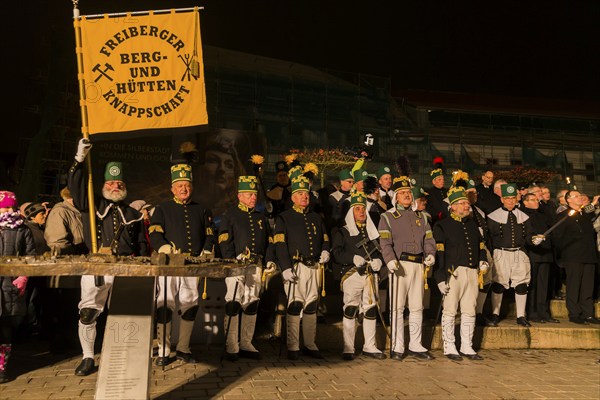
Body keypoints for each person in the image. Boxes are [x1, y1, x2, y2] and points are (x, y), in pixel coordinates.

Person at [68, 138, 148, 376]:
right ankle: (88, 357)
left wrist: (144, 269)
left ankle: (120, 356)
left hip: (126, 268)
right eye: (111, 182)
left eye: (119, 182)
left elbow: (142, 244)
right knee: (88, 312)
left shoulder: (133, 213)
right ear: (104, 184)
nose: (115, 186)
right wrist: (79, 159)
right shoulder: (90, 203)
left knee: (124, 315)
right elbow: (76, 186)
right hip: (96, 266)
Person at [149, 163, 215, 366]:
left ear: (192, 187)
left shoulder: (201, 209)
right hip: (170, 264)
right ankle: (164, 349)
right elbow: (154, 232)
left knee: (190, 305)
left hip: (192, 264)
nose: (183, 189)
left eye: (187, 185)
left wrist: (206, 249)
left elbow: (209, 233)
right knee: (165, 305)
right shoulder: (162, 208)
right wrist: (164, 248)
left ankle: (184, 348)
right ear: (172, 188)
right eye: (179, 185)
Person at [378, 176, 436, 361]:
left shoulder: (422, 217)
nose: (406, 196)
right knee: (397, 307)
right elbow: (385, 242)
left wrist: (431, 254)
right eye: (402, 193)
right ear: (395, 197)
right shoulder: (387, 217)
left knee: (417, 306)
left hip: (418, 265)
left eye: (408, 193)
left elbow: (429, 239)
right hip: (399, 265)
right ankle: (397, 345)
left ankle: (415, 344)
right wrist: (389, 260)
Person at [218, 175, 275, 361]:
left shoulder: (260, 217)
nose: (253, 197)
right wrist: (232, 259)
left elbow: (269, 242)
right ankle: (231, 344)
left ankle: (246, 342)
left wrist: (269, 260)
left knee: (251, 302)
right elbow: (224, 241)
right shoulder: (230, 215)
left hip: (256, 266)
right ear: (240, 195)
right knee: (234, 302)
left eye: (255, 194)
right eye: (249, 194)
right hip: (236, 266)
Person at [274, 175, 330, 360]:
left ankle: (310, 344)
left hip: (313, 266)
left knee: (311, 305)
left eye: (306, 193)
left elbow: (325, 239)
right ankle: (293, 345)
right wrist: (285, 267)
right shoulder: (284, 218)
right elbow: (280, 245)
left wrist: (325, 251)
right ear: (293, 197)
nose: (304, 197)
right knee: (295, 304)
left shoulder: (315, 217)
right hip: (295, 267)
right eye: (300, 194)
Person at [434, 187, 488, 361]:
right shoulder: (442, 226)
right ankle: (449, 345)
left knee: (469, 310)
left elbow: (480, 247)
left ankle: (466, 345)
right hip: (453, 273)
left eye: (467, 203)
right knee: (450, 311)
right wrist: (440, 278)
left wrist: (483, 260)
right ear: (453, 206)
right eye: (463, 203)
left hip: (472, 272)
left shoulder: (472, 224)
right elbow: (439, 255)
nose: (467, 206)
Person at [332, 191, 385, 361]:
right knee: (350, 309)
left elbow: (382, 250)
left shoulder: (372, 231)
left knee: (370, 311)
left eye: (363, 209)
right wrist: (352, 258)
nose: (361, 212)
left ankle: (370, 346)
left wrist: (379, 261)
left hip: (371, 275)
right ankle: (348, 347)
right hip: (352, 275)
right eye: (357, 209)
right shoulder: (343, 232)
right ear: (351, 212)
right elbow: (337, 254)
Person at [43, 187, 85, 353]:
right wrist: (77, 248)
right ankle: (61, 343)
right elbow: (56, 241)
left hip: (78, 269)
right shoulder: (60, 212)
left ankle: (71, 339)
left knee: (74, 305)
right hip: (65, 269)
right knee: (65, 307)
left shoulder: (78, 212)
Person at [0, 191, 35, 383]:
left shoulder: (23, 229)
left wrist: (23, 275)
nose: (9, 211)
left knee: (6, 326)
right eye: (5, 207)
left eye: (12, 207)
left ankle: (1, 367)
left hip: (9, 284)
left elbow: (30, 255)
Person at [486, 183, 532, 327]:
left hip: (519, 254)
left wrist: (535, 239)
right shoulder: (493, 217)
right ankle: (495, 314)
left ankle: (520, 316)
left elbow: (528, 236)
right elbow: (489, 238)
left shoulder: (524, 216)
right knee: (498, 284)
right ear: (502, 199)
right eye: (507, 198)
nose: (511, 201)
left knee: (522, 285)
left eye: (513, 198)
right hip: (501, 254)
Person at [551, 190, 600, 324]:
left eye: (580, 195)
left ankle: (588, 313)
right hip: (572, 256)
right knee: (574, 285)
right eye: (576, 196)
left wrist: (594, 202)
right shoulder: (563, 216)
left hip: (589, 255)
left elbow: (590, 209)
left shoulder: (585, 214)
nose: (580, 198)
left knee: (588, 286)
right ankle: (574, 313)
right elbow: (557, 237)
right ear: (569, 200)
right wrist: (562, 255)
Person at [521, 193, 558, 323]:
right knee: (533, 285)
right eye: (532, 200)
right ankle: (532, 312)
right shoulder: (523, 215)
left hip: (546, 253)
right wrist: (532, 239)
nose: (536, 202)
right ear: (525, 202)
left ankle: (544, 312)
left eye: (537, 199)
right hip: (533, 254)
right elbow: (524, 234)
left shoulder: (543, 215)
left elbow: (551, 230)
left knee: (544, 285)